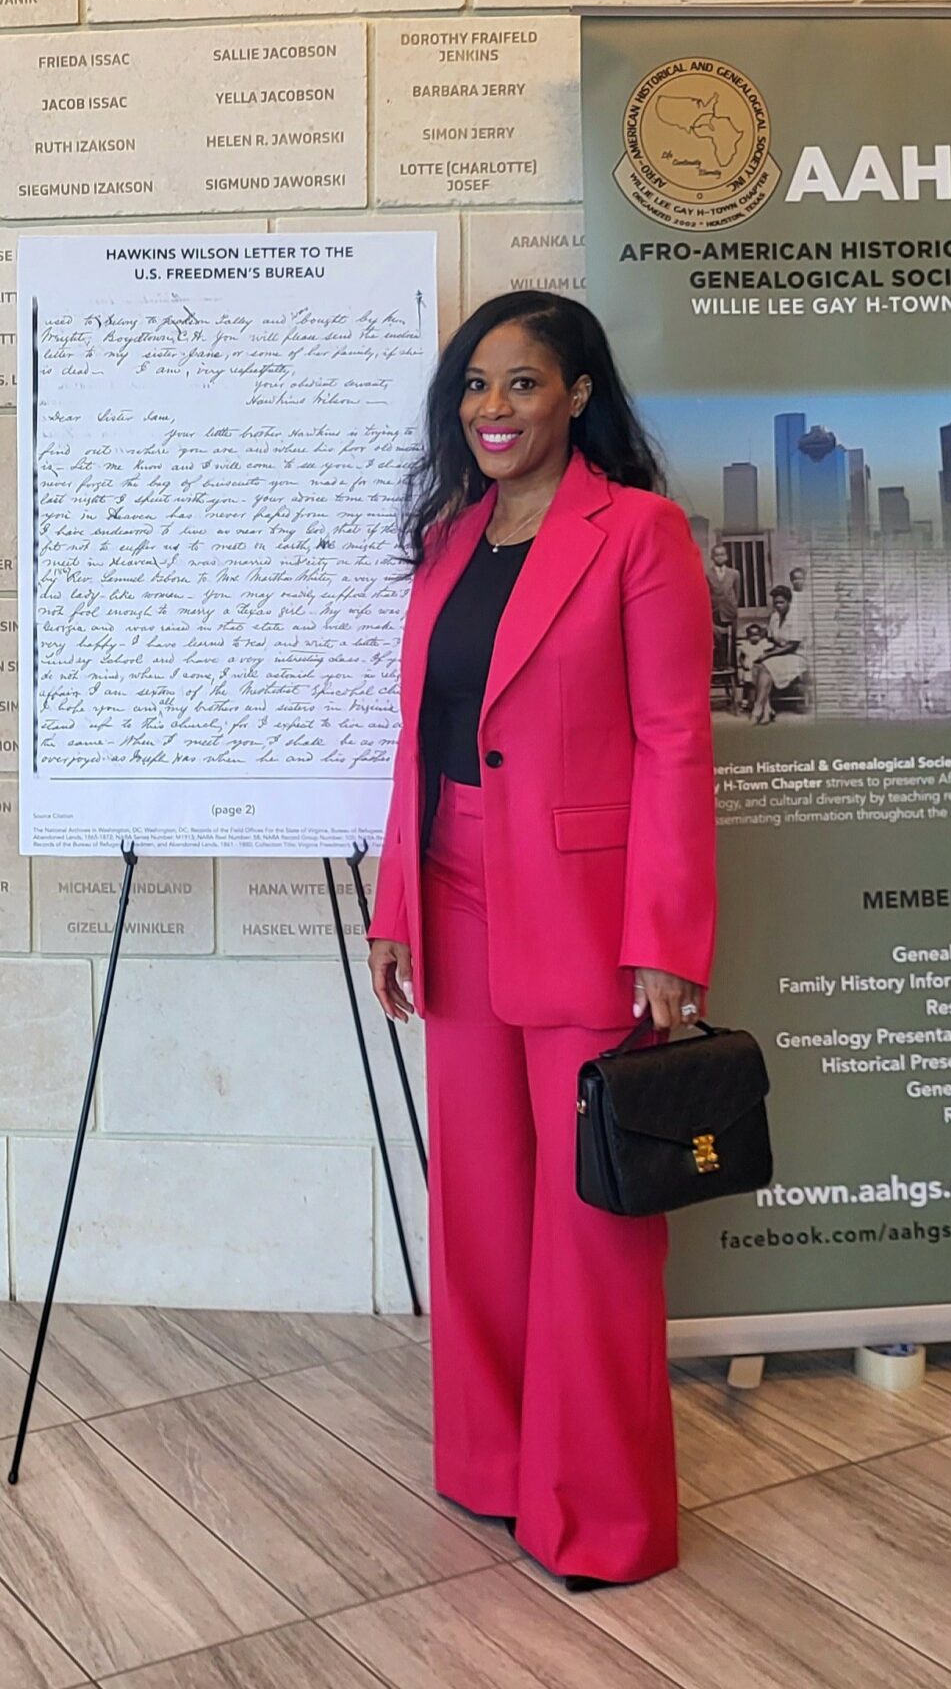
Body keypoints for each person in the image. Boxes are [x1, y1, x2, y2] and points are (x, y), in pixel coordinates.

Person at [365, 291, 715, 1589]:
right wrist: (394, 908)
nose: (492, 407)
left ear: (576, 394)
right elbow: (418, 741)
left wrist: (664, 937)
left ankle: (600, 1517)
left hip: (585, 915)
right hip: (450, 897)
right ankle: (494, 1466)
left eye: (520, 382)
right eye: (473, 384)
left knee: (590, 1224)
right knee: (477, 1207)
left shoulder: (639, 533)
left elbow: (674, 742)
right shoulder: (449, 539)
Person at [748, 585, 808, 724]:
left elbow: (792, 645)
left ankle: (757, 709)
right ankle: (767, 710)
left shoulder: (795, 618)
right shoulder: (774, 617)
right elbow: (771, 639)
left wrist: (769, 655)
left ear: (789, 602)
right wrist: (766, 651)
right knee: (757, 665)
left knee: (766, 665)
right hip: (781, 654)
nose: (778, 606)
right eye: (776, 603)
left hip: (796, 656)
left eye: (781, 602)